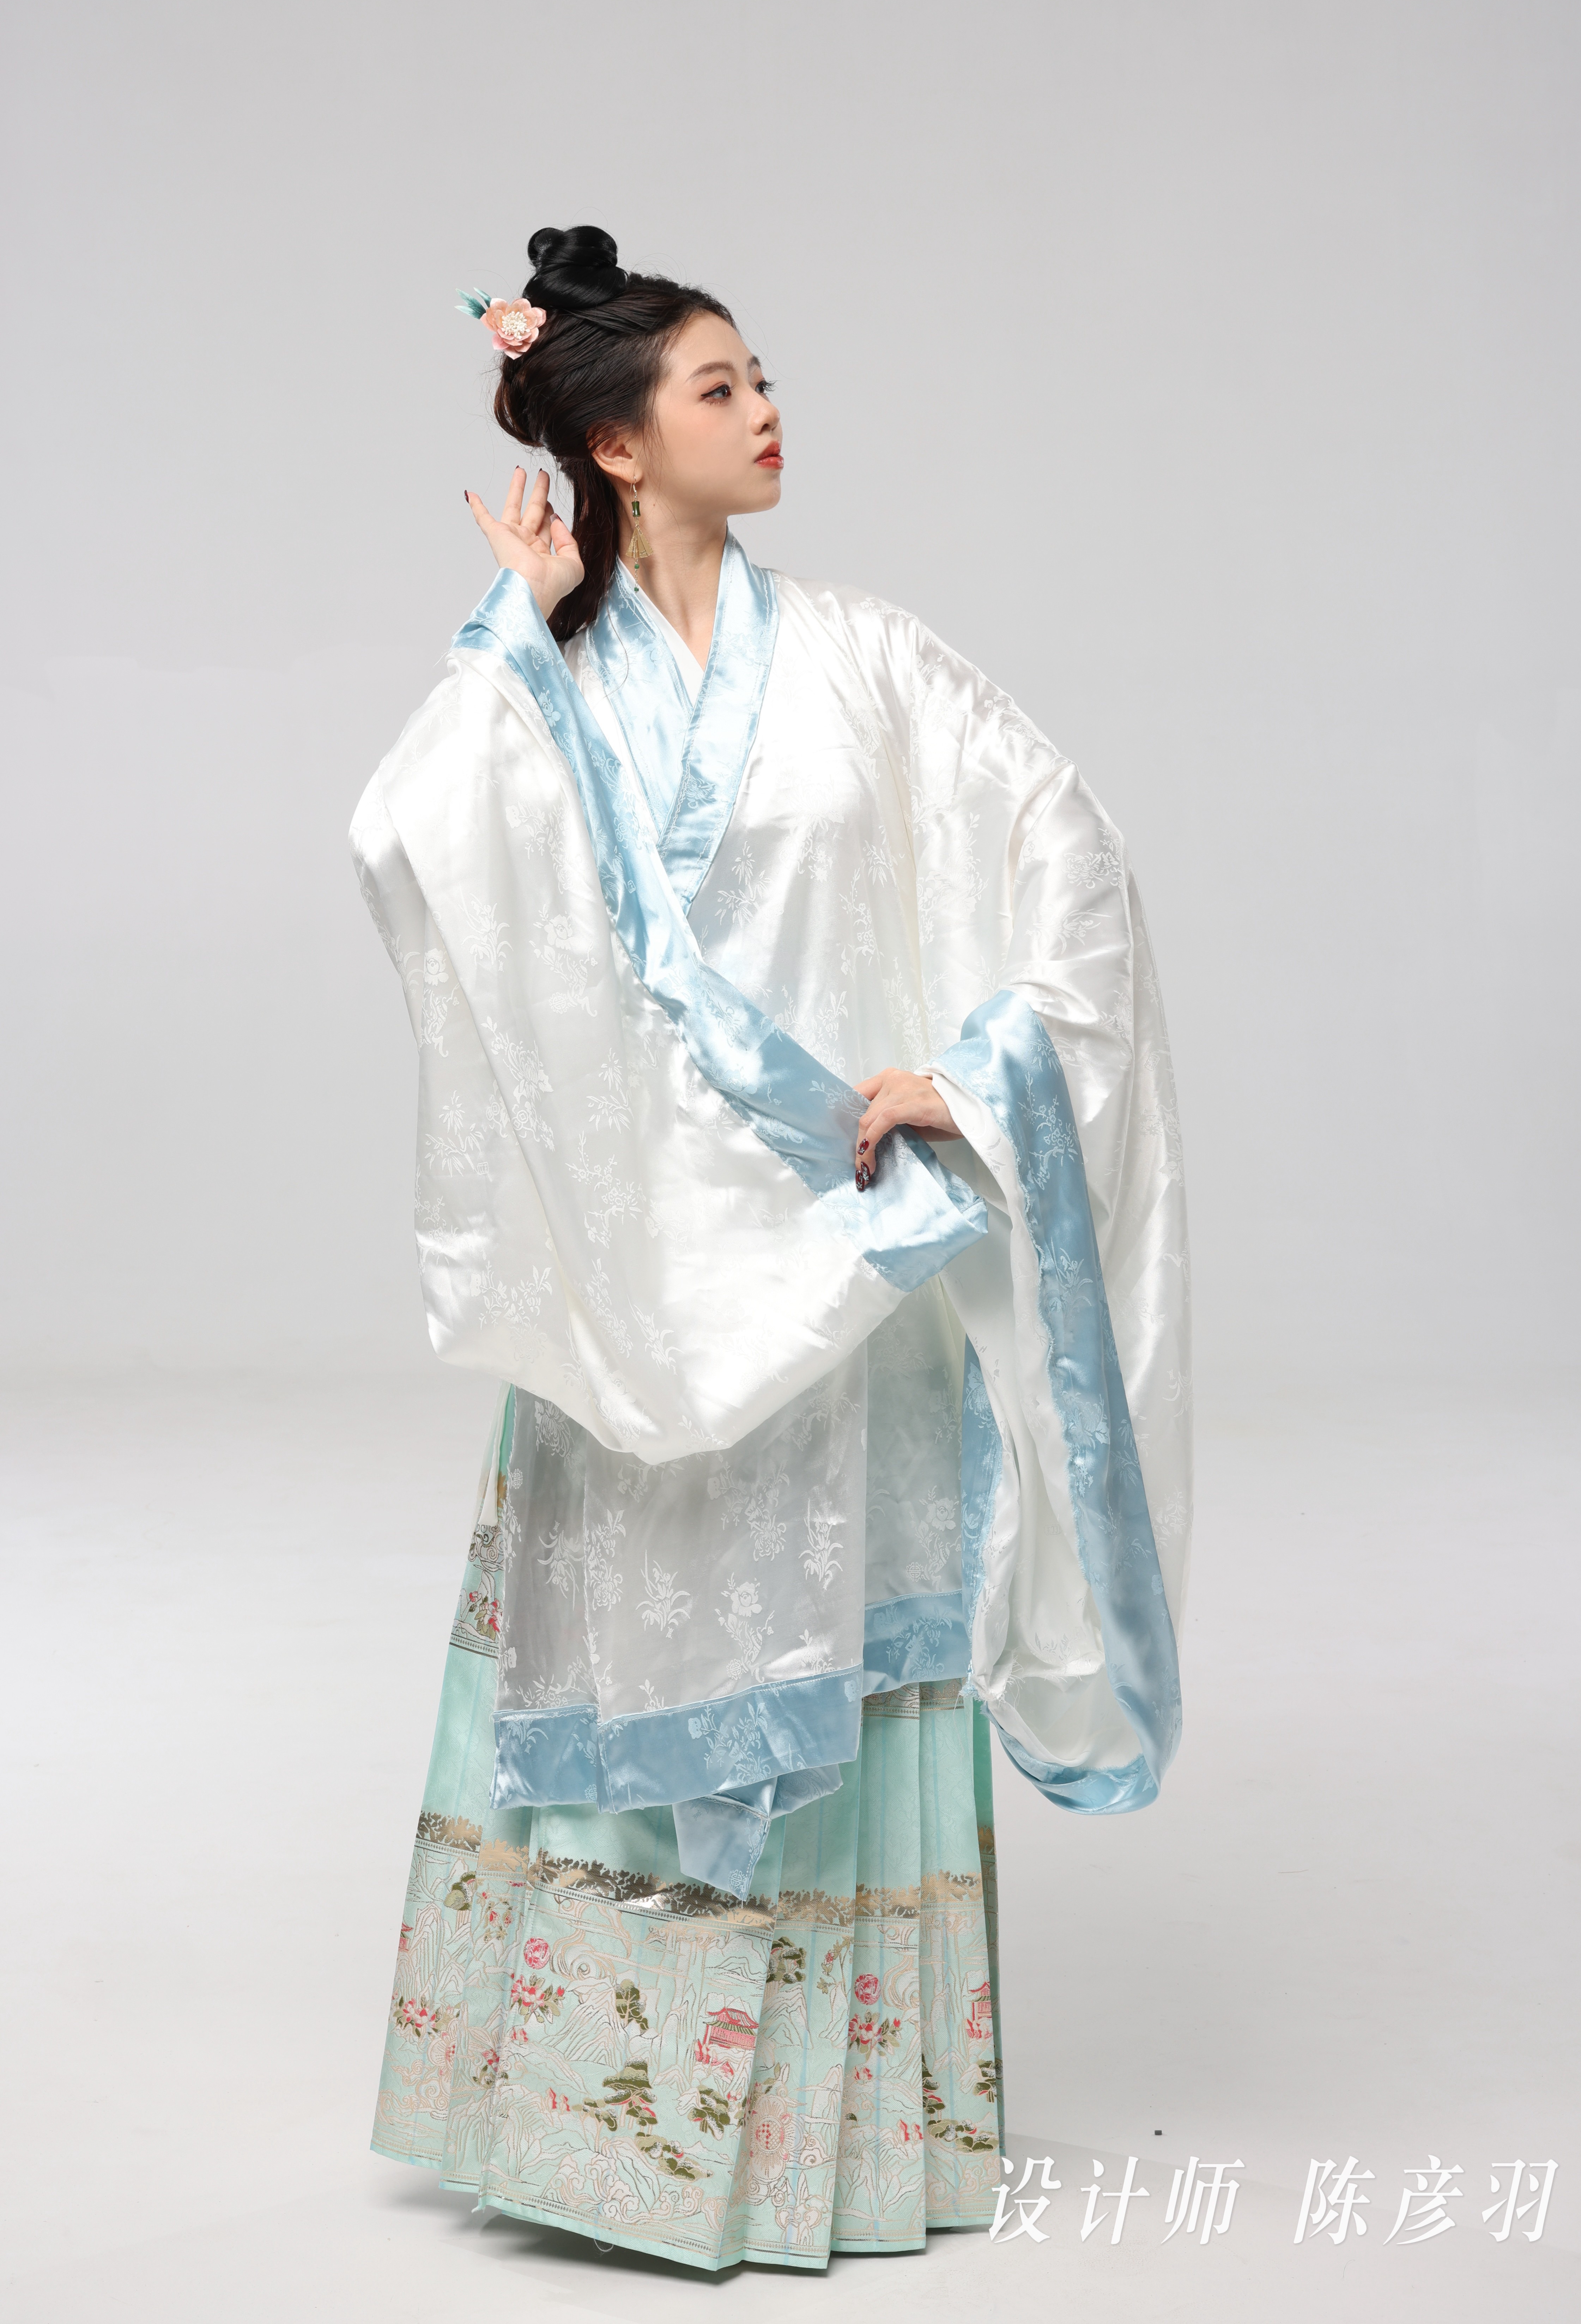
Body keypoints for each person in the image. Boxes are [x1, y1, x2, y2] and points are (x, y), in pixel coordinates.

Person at [351, 223, 1191, 2272]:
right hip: (648, 1283)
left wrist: (969, 1074)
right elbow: (412, 843)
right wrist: (511, 624)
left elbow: (1065, 856)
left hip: (841, 1272)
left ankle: (844, 2152)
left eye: (762, 379)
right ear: (618, 446)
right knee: (635, 1641)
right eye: (719, 389)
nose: (765, 411)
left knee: (847, 1651)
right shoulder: (545, 678)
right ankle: (597, 2145)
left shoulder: (874, 663)